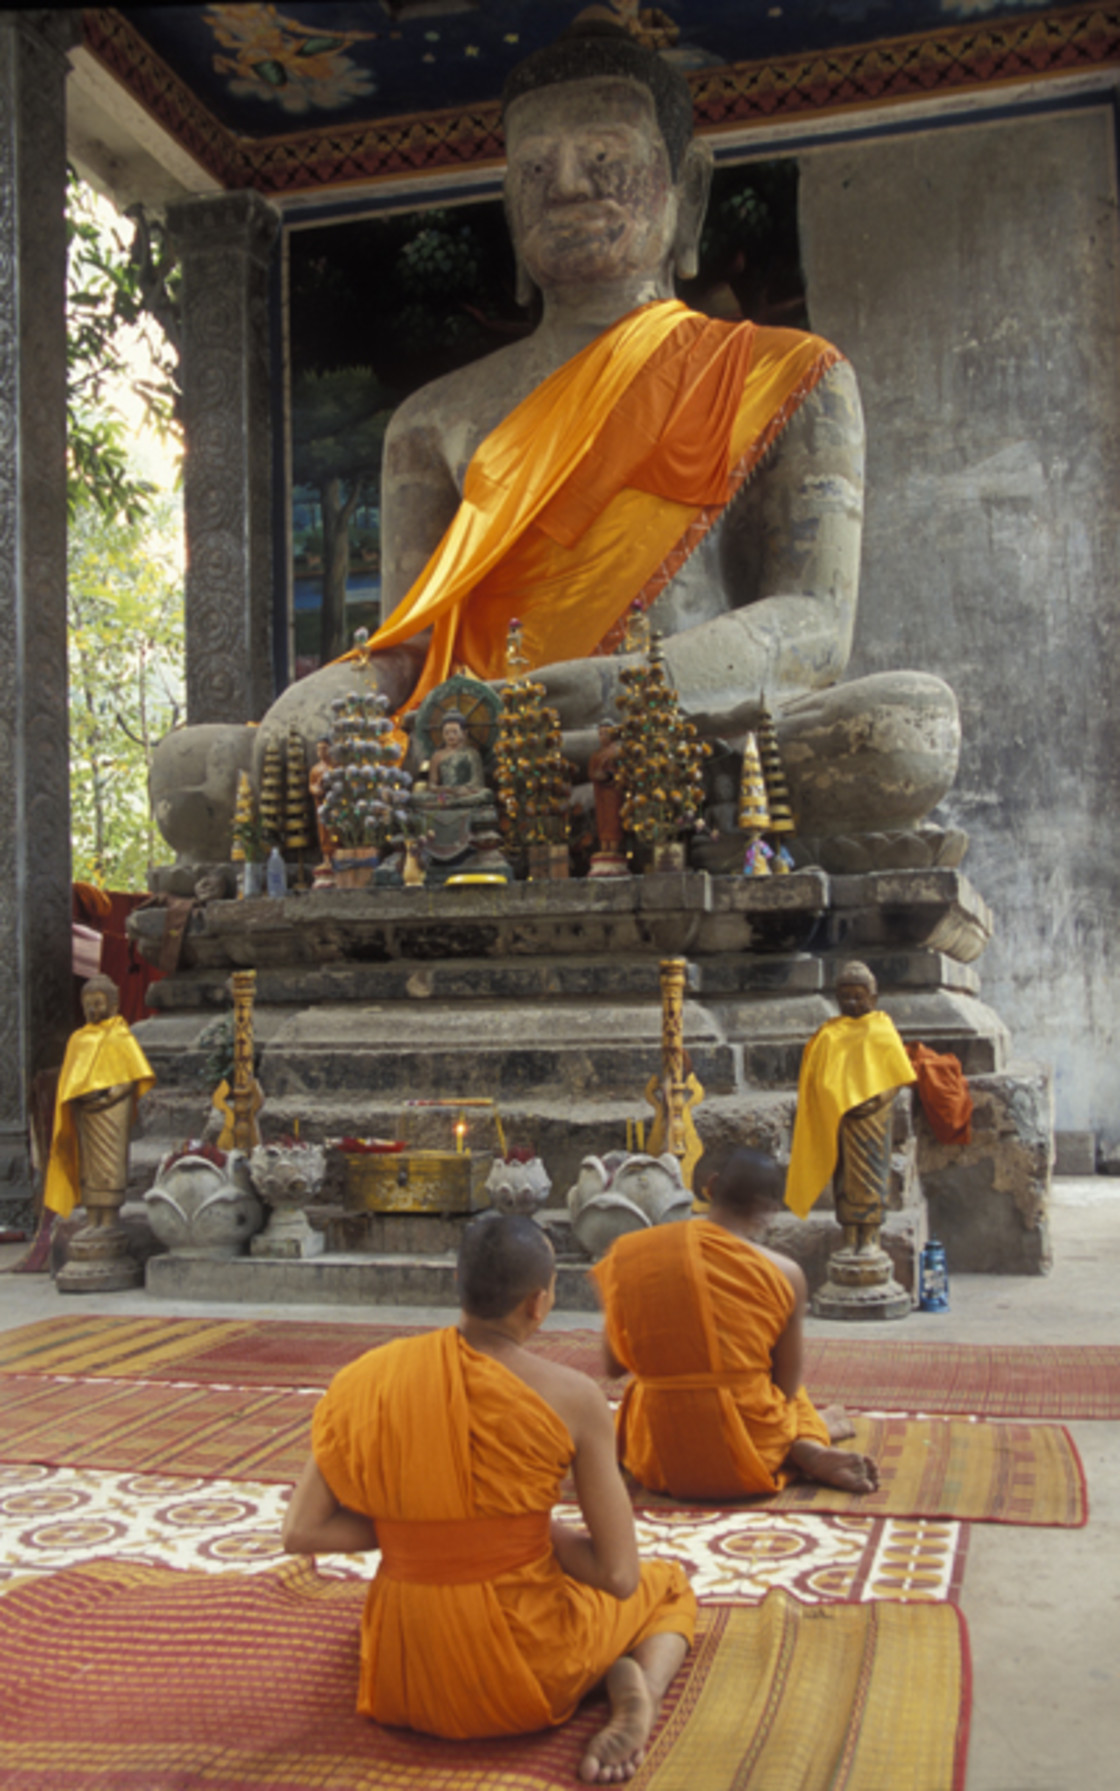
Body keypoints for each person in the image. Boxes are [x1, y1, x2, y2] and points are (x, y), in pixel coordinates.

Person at [149, 19, 958, 866]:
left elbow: (814, 627)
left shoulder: (786, 374)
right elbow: (409, 647)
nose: (567, 183)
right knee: (197, 775)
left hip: (663, 729)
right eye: (535, 168)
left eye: (604, 155)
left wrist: (627, 688)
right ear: (508, 203)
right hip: (468, 744)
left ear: (689, 187)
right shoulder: (432, 419)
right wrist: (321, 701)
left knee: (904, 729)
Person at [282, 1210, 696, 1784]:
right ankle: (640, 1689)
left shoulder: (365, 1380)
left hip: (403, 1674)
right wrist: (510, 1531)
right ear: (538, 1302)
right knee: (666, 1584)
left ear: (458, 1284)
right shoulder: (573, 1398)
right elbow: (619, 1574)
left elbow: (299, 1532)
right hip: (526, 1678)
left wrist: (431, 1527)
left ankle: (615, 1677)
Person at [592, 1146, 879, 1501]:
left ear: (710, 1187)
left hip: (662, 1452)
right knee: (791, 1397)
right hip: (752, 1450)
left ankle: (805, 1440)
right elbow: (785, 1385)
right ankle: (804, 1442)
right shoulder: (785, 1273)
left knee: (643, 1390)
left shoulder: (630, 1253)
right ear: (772, 1211)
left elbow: (613, 1366)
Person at [784, 961, 918, 1250]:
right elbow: (817, 1079)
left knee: (873, 1177)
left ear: (873, 997)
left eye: (858, 996)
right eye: (845, 997)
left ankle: (870, 1236)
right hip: (843, 1119)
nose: (852, 1002)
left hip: (874, 1120)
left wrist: (876, 1100)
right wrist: (838, 1100)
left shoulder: (881, 1028)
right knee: (845, 1181)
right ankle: (849, 1236)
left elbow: (896, 1075)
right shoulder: (830, 1035)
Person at [43, 973, 155, 1222]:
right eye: (88, 1005)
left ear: (114, 1006)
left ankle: (108, 1220)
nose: (93, 1009)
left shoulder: (120, 1036)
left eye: (98, 1003)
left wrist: (109, 1096)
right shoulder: (78, 1040)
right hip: (86, 1114)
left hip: (112, 1113)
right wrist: (84, 1096)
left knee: (110, 1167)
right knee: (88, 1167)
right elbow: (70, 1082)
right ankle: (92, 1216)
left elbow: (130, 1077)